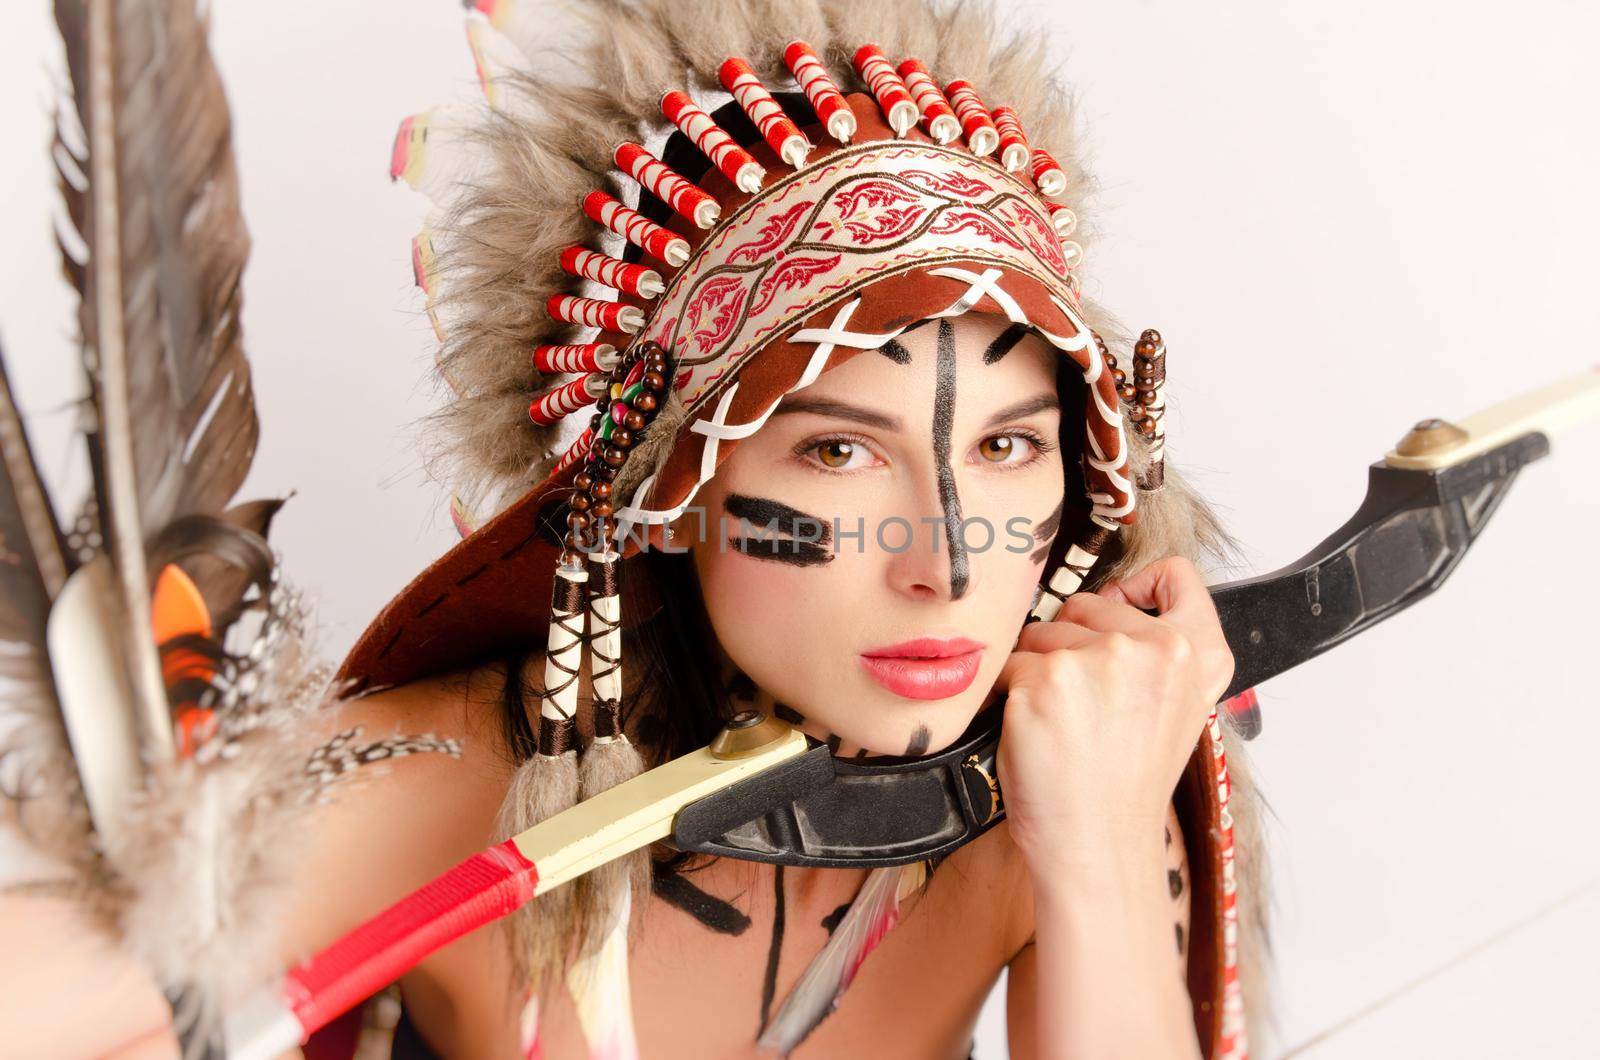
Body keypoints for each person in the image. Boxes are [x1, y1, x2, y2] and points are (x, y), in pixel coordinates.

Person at [0, 1, 1269, 1057]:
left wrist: (1095, 845)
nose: (946, 566)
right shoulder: (450, 782)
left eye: (1006, 447)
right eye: (837, 450)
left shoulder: (1064, 786)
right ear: (672, 489)